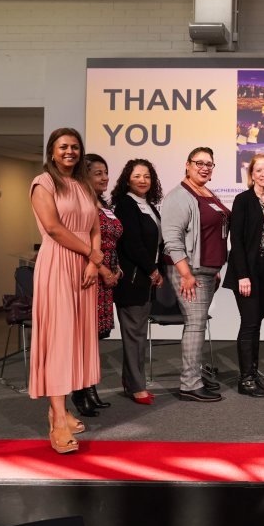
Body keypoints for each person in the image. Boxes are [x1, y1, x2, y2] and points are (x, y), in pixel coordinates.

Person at [29, 128, 102, 455]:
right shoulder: (42, 183)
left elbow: (95, 226)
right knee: (59, 340)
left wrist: (92, 261)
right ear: (52, 151)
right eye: (63, 147)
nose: (70, 151)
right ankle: (58, 419)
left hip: (84, 268)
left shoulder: (85, 184)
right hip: (57, 263)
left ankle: (60, 409)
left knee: (76, 340)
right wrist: (91, 253)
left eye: (74, 146)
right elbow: (55, 228)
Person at [161, 147, 228, 402]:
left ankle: (195, 377)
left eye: (209, 164)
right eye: (199, 162)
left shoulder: (207, 193)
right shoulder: (179, 196)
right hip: (190, 272)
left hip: (207, 271)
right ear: (187, 165)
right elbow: (172, 240)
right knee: (195, 326)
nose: (204, 167)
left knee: (197, 325)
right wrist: (186, 274)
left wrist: (215, 267)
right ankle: (189, 384)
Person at [223, 154, 264, 398]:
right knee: (249, 325)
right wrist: (242, 276)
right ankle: (245, 380)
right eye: (259, 170)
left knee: (255, 324)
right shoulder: (243, 199)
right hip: (245, 273)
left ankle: (253, 373)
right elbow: (236, 240)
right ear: (252, 174)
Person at [110, 158, 164, 406]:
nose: (143, 180)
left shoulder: (149, 205)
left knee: (138, 334)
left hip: (145, 280)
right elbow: (132, 244)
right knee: (134, 335)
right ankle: (137, 386)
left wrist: (156, 270)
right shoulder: (125, 205)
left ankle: (132, 383)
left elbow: (156, 244)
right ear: (127, 179)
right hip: (132, 280)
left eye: (147, 176)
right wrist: (152, 270)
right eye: (137, 176)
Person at [79, 154, 122, 416]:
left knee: (94, 340)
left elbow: (112, 239)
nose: (105, 177)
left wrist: (116, 268)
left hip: (107, 279)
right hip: (91, 277)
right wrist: (104, 269)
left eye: (106, 172)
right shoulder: (82, 205)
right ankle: (80, 393)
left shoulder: (103, 204)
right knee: (84, 339)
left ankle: (91, 388)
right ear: (84, 175)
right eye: (98, 173)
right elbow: (83, 243)